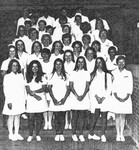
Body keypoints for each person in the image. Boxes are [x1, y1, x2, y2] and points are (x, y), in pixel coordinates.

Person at [88, 57, 113, 142]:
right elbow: (91, 88)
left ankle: (102, 134)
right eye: (97, 62)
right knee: (94, 117)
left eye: (100, 62)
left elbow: (109, 88)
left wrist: (103, 97)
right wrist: (96, 97)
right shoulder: (92, 74)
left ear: (103, 64)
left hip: (104, 99)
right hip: (95, 98)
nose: (99, 64)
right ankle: (90, 134)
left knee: (104, 117)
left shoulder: (108, 75)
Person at [110, 56, 133, 142]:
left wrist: (126, 97)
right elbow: (112, 86)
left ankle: (122, 134)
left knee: (123, 115)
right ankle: (117, 134)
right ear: (117, 63)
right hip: (116, 97)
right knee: (117, 115)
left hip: (125, 97)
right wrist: (116, 96)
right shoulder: (113, 73)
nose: (121, 64)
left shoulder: (129, 73)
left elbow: (130, 86)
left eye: (123, 62)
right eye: (119, 62)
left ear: (125, 63)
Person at [3, 59, 26, 141]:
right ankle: (10, 133)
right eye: (13, 65)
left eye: (16, 65)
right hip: (11, 99)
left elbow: (23, 88)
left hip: (19, 98)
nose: (15, 67)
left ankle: (16, 133)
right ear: (10, 66)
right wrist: (9, 101)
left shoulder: (20, 76)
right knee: (11, 116)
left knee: (18, 116)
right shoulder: (7, 76)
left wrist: (24, 99)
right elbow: (6, 89)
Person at [48, 58, 70, 141]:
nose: (58, 66)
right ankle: (57, 133)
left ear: (62, 65)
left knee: (62, 116)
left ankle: (61, 133)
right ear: (54, 65)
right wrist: (53, 99)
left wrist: (64, 99)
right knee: (56, 116)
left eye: (60, 64)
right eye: (56, 64)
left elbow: (68, 89)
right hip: (55, 98)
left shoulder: (66, 75)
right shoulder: (51, 75)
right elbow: (49, 89)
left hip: (63, 98)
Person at [25, 60, 48, 142]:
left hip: (40, 99)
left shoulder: (43, 76)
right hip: (31, 99)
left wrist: (35, 92)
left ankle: (37, 134)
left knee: (39, 117)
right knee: (31, 118)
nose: (34, 68)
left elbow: (44, 88)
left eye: (36, 66)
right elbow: (27, 89)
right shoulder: (27, 76)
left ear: (39, 68)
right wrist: (34, 95)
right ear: (30, 68)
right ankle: (30, 134)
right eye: (33, 66)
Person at [69, 56, 90, 142]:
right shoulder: (73, 73)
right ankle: (74, 134)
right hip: (75, 97)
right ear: (76, 63)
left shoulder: (87, 73)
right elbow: (71, 85)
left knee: (82, 116)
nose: (80, 64)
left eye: (82, 62)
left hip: (84, 97)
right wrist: (77, 95)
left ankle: (81, 134)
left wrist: (83, 95)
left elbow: (87, 85)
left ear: (84, 63)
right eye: (79, 62)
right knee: (74, 116)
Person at [40, 48, 53, 130]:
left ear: (49, 55)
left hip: (51, 85)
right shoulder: (39, 63)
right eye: (43, 54)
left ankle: (50, 122)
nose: (45, 56)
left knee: (50, 104)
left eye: (46, 54)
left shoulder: (52, 63)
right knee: (44, 103)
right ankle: (46, 121)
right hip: (42, 85)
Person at [63, 50, 75, 129]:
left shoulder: (74, 65)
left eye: (69, 56)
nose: (68, 57)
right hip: (64, 86)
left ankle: (71, 122)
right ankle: (66, 123)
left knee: (71, 106)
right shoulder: (62, 64)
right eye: (66, 56)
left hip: (73, 86)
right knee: (65, 106)